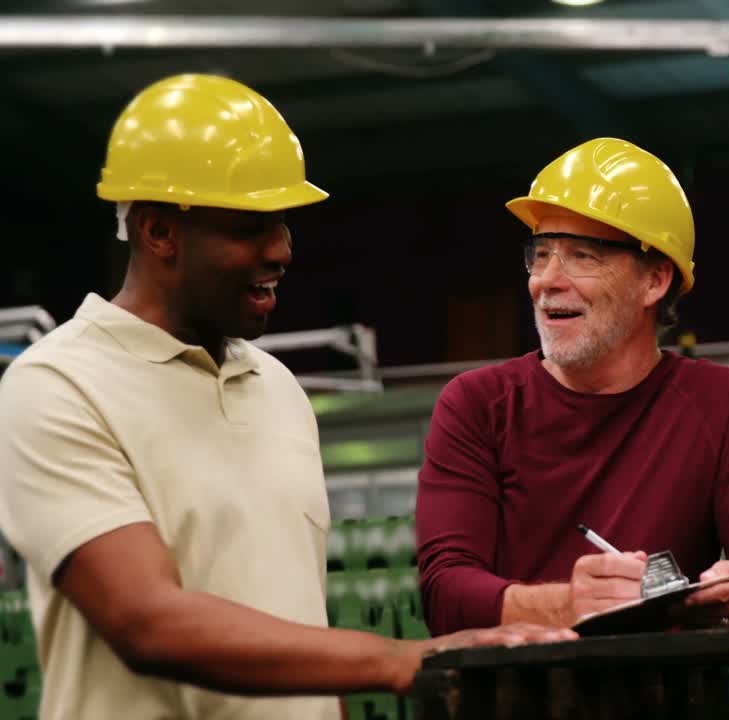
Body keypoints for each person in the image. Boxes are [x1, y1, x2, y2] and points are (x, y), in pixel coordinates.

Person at [0, 73, 572, 720]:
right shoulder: (57, 387)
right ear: (159, 232)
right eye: (251, 226)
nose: (282, 250)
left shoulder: (277, 391)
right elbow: (146, 621)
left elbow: (298, 619)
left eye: (284, 223)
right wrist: (404, 660)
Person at [416, 137, 729, 636]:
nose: (547, 280)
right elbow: (444, 595)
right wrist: (571, 603)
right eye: (540, 254)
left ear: (654, 281)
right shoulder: (478, 406)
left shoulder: (720, 402)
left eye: (582, 256)